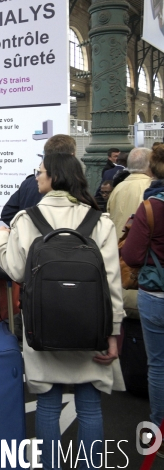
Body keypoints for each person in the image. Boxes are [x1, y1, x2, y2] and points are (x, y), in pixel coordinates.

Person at [0, 153, 124, 469]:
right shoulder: (99, 221)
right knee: (90, 407)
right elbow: (112, 283)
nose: (36, 178)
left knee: (48, 407)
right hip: (91, 329)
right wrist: (113, 333)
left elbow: (15, 270)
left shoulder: (26, 219)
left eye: (40, 172)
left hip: (42, 325)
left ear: (53, 177)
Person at [121, 143, 164, 458]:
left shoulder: (151, 208)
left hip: (156, 295)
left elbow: (133, 255)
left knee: (158, 365)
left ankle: (159, 433)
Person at [1, 134, 76, 226]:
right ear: (72, 155)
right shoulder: (73, 184)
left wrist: (24, 229)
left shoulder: (28, 183)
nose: (38, 179)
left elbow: (7, 213)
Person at [107, 147, 153, 240]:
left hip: (117, 243)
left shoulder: (118, 187)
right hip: (139, 245)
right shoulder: (150, 187)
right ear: (150, 164)